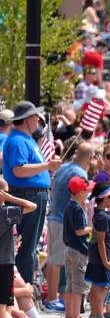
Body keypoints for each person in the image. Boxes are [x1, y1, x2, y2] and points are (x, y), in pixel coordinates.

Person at [1, 101, 61, 286]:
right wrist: (47, 166)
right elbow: (19, 170)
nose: (38, 120)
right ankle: (24, 287)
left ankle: (25, 286)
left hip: (33, 194)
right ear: (27, 119)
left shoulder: (24, 139)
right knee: (27, 245)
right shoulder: (18, 140)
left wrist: (46, 170)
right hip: (27, 195)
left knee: (29, 244)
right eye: (35, 116)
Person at [44, 142, 95, 314]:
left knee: (57, 260)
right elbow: (82, 199)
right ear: (90, 157)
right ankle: (51, 299)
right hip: (62, 220)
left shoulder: (65, 167)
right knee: (56, 261)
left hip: (55, 216)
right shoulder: (80, 173)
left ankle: (56, 298)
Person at [1, 179, 38, 318]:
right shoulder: (6, 212)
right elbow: (32, 206)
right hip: (4, 261)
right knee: (2, 304)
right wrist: (10, 197)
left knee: (3, 304)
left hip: (5, 259)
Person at [86, 182, 110, 318]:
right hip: (101, 259)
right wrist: (106, 261)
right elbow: (100, 241)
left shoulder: (100, 215)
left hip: (95, 258)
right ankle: (99, 317)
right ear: (105, 199)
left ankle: (94, 315)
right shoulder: (103, 217)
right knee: (102, 288)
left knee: (95, 287)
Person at [62, 175, 94, 318]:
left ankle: (69, 315)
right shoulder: (76, 208)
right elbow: (80, 231)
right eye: (85, 191)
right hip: (78, 250)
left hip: (68, 249)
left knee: (69, 284)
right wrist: (92, 227)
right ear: (79, 192)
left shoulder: (70, 205)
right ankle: (76, 316)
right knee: (78, 286)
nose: (87, 193)